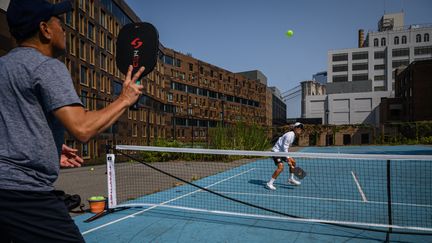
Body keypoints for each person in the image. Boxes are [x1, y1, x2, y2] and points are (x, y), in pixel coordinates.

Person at [0, 0, 145, 242]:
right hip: (25, 193)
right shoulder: (46, 67)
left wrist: (47, 149)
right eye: (59, 22)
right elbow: (83, 129)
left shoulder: (4, 66)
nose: (64, 29)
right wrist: (125, 99)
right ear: (45, 29)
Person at [266, 122, 304, 190]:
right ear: (295, 128)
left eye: (301, 128)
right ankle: (270, 183)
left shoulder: (293, 135)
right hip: (276, 152)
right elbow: (284, 148)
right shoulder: (290, 135)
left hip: (282, 152)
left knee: (293, 162)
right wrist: (288, 159)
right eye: (298, 128)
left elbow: (286, 148)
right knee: (281, 167)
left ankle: (291, 179)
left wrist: (289, 159)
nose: (300, 129)